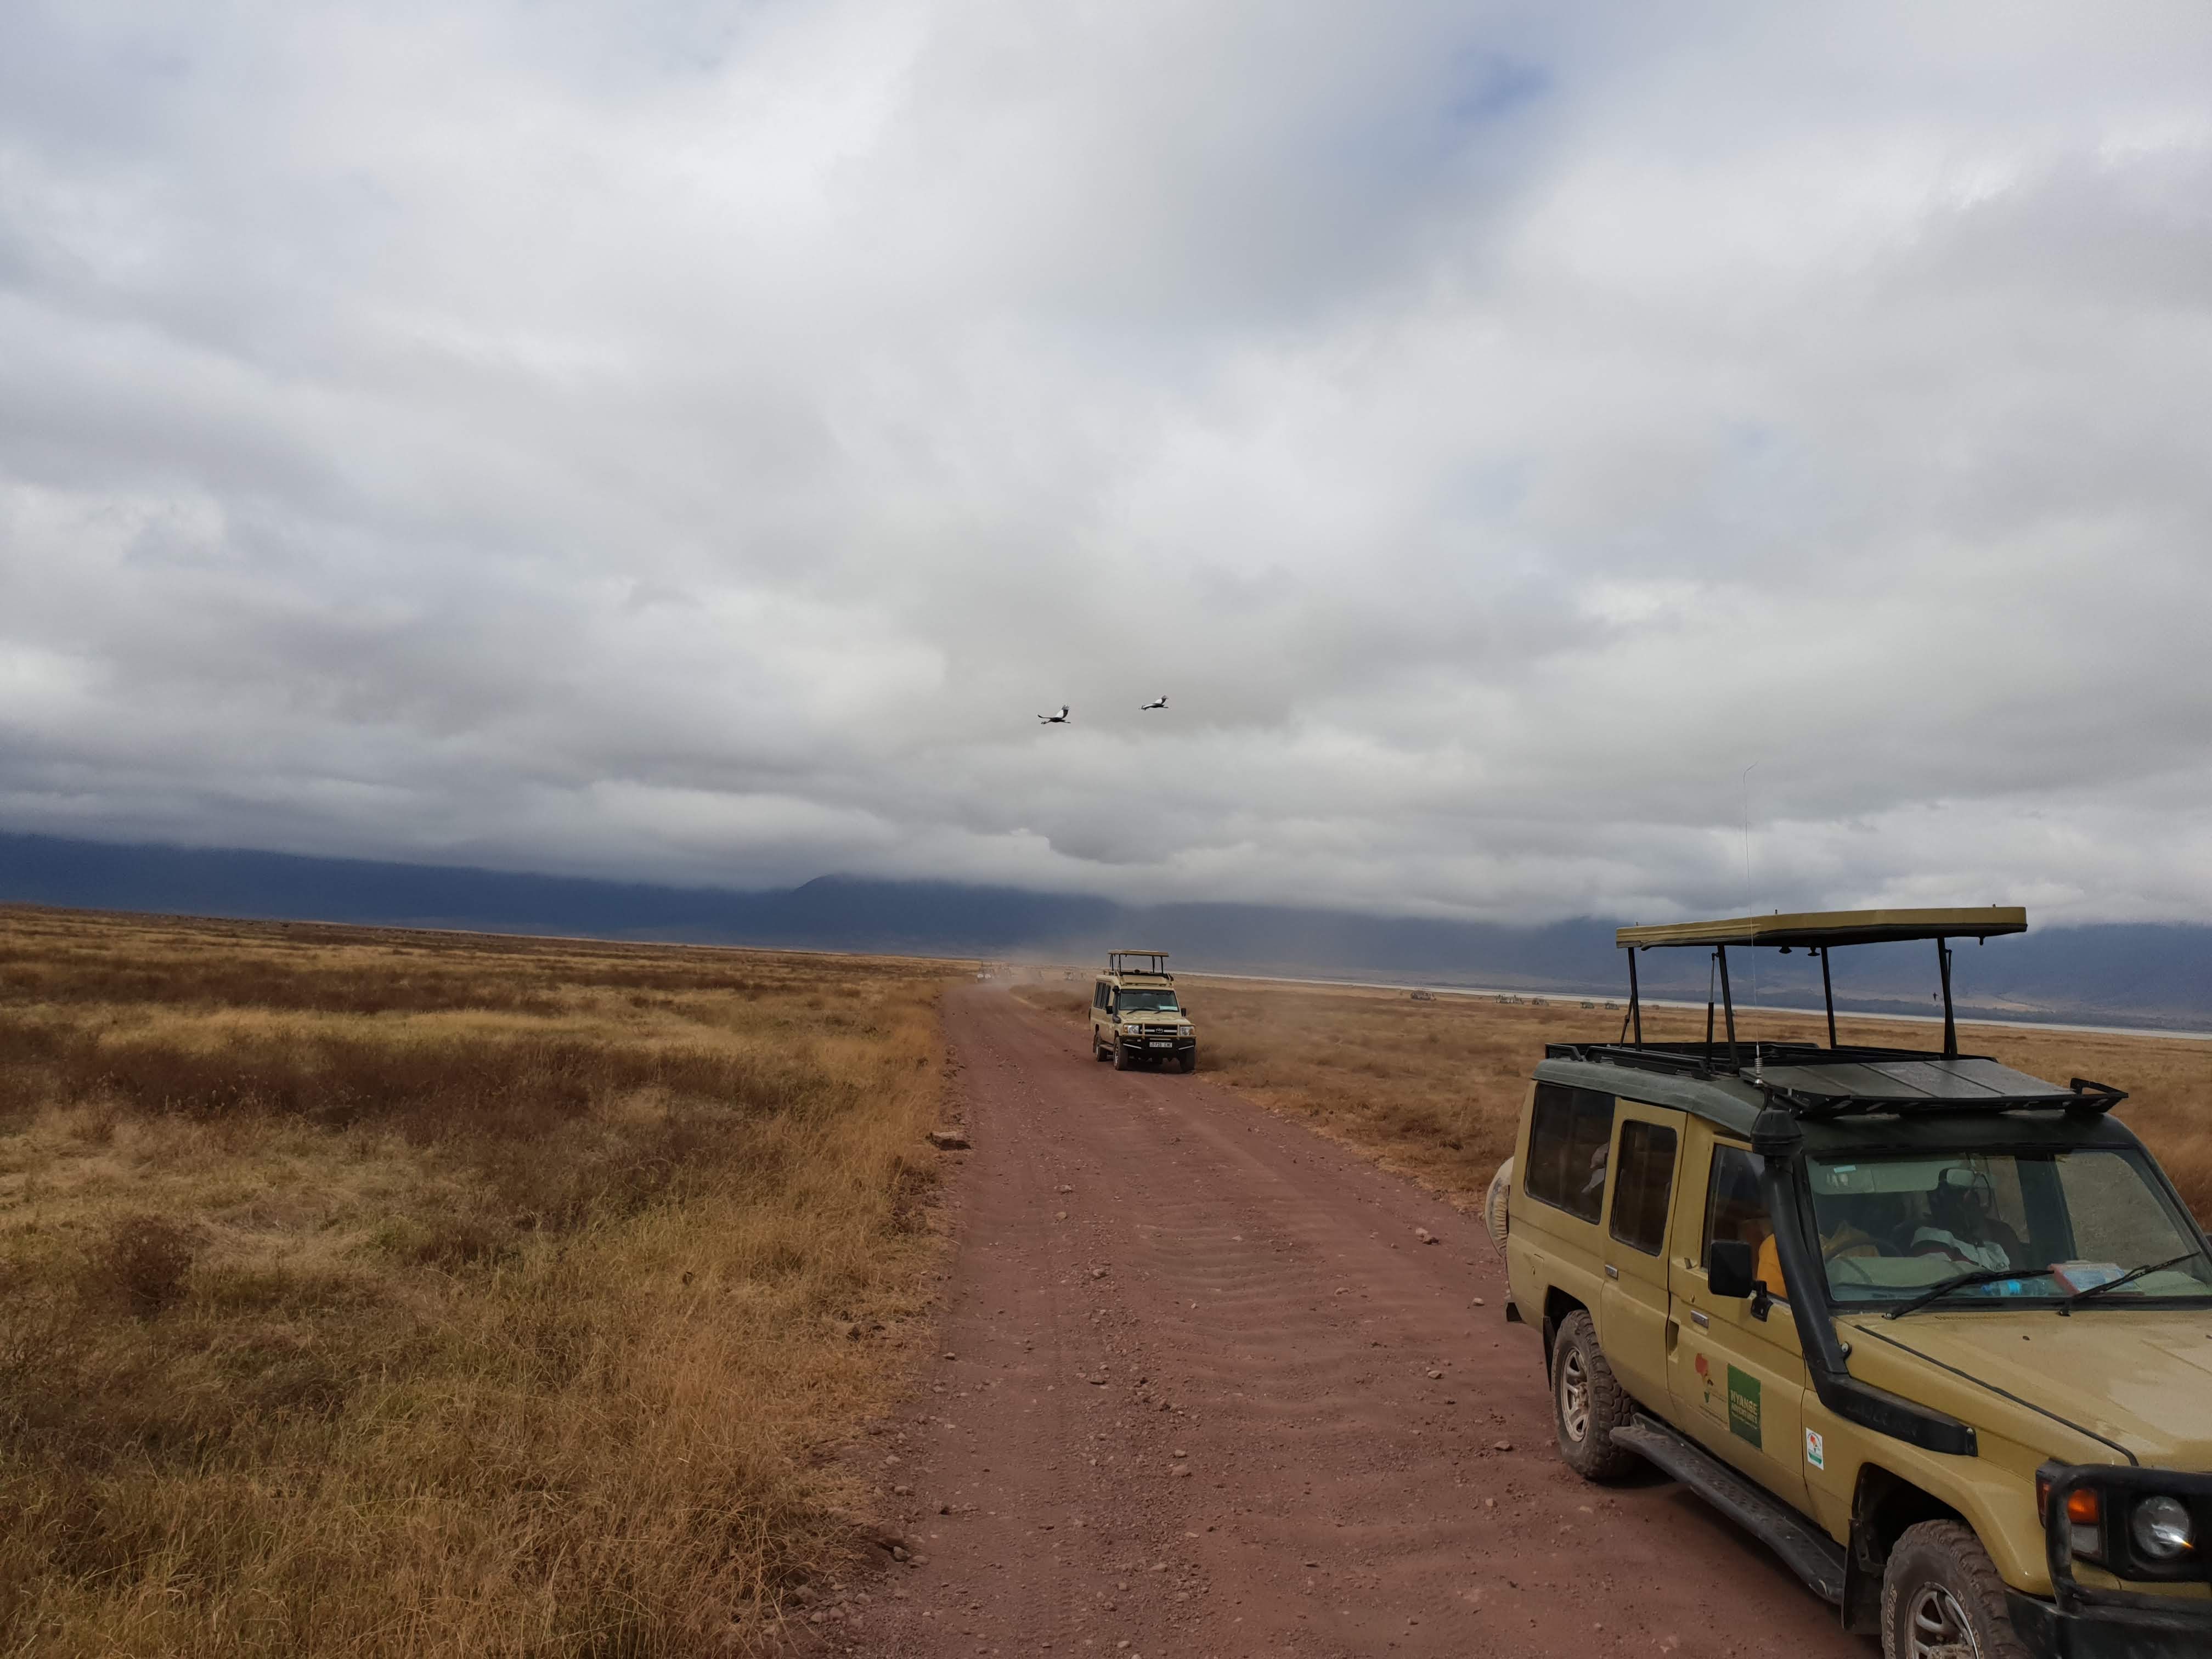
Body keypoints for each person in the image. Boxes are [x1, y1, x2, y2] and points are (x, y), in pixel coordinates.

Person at [1910, 1168, 2023, 1271]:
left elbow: (2019, 1283)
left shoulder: (1994, 1247)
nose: (1976, 1202)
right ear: (1939, 1200)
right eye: (1963, 1195)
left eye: (1975, 1194)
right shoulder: (1931, 1238)